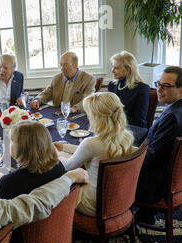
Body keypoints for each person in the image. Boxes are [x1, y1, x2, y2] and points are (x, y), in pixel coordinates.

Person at [0, 120, 66, 243]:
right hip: (57, 236)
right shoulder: (59, 167)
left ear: (21, 148)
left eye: (11, 141)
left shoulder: (9, 184)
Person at [54, 92, 135, 217]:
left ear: (97, 118)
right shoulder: (127, 137)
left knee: (56, 184)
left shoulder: (91, 144)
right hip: (120, 199)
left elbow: (67, 167)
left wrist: (58, 155)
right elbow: (91, 150)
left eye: (89, 114)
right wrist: (65, 147)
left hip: (94, 204)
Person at [136, 66, 182, 223]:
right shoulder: (176, 109)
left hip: (154, 186)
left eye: (166, 86)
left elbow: (153, 156)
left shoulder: (173, 117)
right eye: (158, 84)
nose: (159, 89)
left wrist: (127, 164)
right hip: (170, 178)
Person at [31, 52, 96, 113]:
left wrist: (75, 108)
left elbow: (88, 100)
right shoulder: (56, 78)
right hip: (58, 114)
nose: (62, 68)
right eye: (61, 65)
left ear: (76, 65)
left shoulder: (89, 79)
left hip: (76, 115)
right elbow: (46, 94)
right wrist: (37, 100)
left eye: (66, 65)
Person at [108, 51, 150, 128]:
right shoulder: (112, 85)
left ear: (128, 69)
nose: (112, 70)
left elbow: (139, 121)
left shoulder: (142, 89)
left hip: (133, 129)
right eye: (113, 66)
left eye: (116, 68)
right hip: (114, 126)